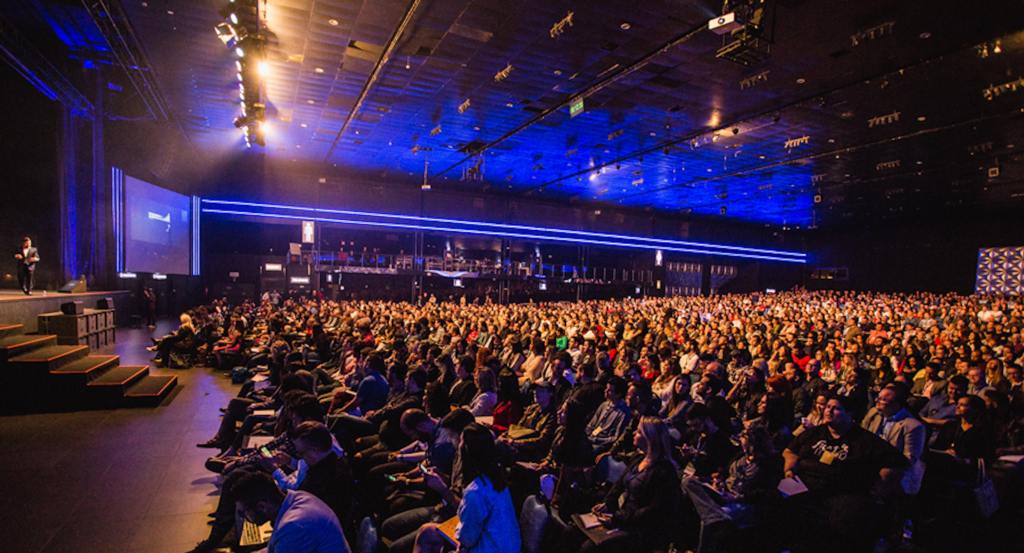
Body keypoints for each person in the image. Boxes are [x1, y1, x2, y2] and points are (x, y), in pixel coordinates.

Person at [229, 470, 351, 553]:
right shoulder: (298, 497)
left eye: (243, 513)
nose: (243, 518)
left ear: (262, 506)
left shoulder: (294, 526)